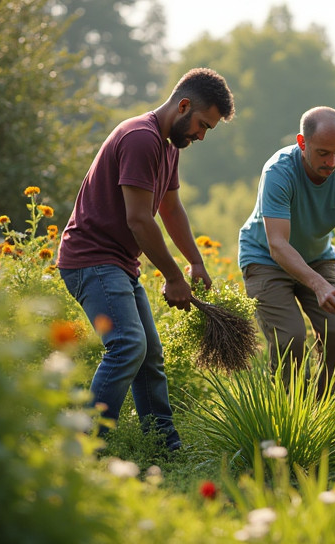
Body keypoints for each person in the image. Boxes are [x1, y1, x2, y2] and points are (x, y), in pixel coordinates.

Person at [56, 68, 235, 452]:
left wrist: (196, 262)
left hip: (117, 263)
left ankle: (163, 445)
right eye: (202, 125)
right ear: (183, 106)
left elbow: (170, 208)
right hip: (91, 259)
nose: (201, 136)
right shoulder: (141, 138)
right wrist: (173, 277)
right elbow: (138, 218)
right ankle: (82, 449)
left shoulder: (169, 145)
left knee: (150, 355)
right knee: (127, 345)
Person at [238, 106, 335, 393]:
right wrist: (319, 286)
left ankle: (326, 414)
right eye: (323, 153)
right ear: (302, 143)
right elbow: (278, 245)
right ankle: (290, 415)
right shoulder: (279, 172)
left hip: (317, 258)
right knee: (290, 340)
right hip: (265, 259)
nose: (332, 162)